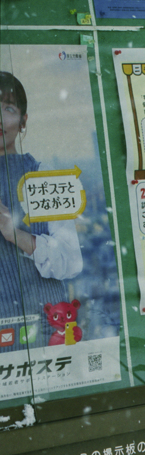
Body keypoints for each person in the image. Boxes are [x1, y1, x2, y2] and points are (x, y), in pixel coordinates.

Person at [0, 71, 83, 352]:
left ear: (23, 121)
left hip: (43, 326)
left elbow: (70, 261)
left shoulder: (42, 176)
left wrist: (16, 234)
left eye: (8, 108)